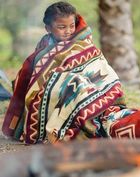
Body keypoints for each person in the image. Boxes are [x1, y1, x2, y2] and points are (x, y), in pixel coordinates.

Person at [2, 1, 124, 144]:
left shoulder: (83, 43)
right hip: (58, 95)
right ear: (48, 28)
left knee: (77, 84)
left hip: (88, 89)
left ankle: (84, 120)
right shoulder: (44, 45)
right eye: (62, 27)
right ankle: (56, 125)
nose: (68, 31)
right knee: (62, 88)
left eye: (72, 26)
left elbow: (98, 66)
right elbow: (36, 74)